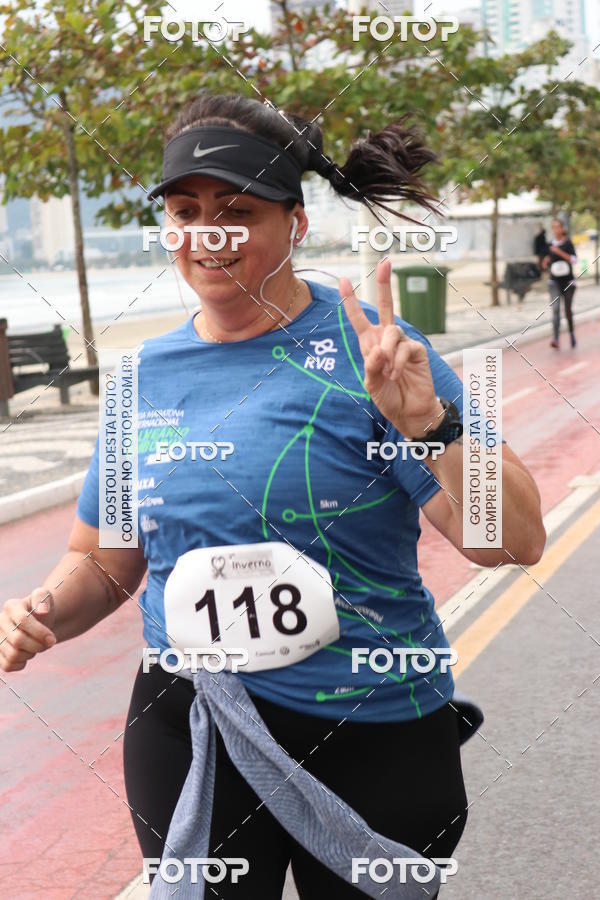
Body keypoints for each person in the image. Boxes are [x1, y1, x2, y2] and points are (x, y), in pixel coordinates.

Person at [0, 93, 546, 898]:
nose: (206, 234)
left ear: (293, 223)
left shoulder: (377, 357)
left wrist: (428, 422)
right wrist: (42, 609)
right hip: (196, 723)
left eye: (237, 210)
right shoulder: (142, 377)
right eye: (185, 211)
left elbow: (511, 540)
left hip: (374, 722)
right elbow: (106, 562)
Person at [541, 218, 577, 349]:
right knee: (555, 310)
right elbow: (545, 263)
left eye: (558, 227)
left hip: (568, 282)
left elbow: (574, 259)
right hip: (554, 282)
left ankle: (572, 335)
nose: (556, 229)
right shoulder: (549, 245)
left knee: (567, 310)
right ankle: (555, 338)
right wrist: (545, 262)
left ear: (562, 228)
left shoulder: (568, 244)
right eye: (554, 227)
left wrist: (559, 252)